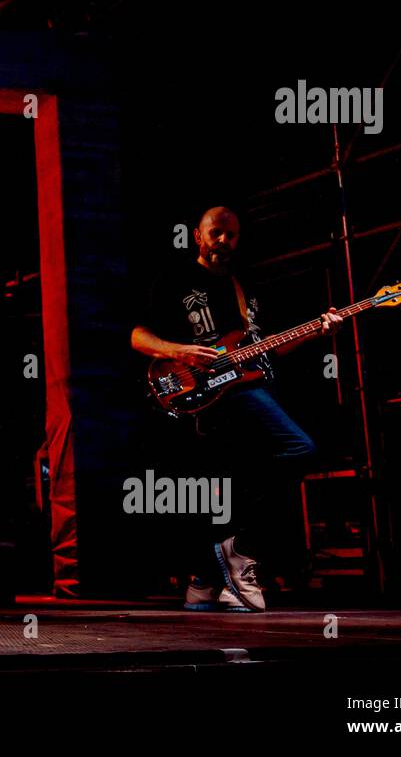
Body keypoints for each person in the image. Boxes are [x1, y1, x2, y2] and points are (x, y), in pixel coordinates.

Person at [131, 206, 343, 612]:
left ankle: (211, 576)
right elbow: (138, 335)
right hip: (206, 393)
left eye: (231, 235)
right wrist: (178, 350)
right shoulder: (176, 280)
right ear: (197, 235)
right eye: (216, 233)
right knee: (298, 449)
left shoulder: (246, 285)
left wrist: (319, 329)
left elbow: (272, 345)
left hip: (247, 385)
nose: (224, 241)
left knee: (235, 482)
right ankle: (230, 556)